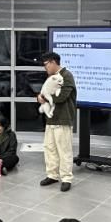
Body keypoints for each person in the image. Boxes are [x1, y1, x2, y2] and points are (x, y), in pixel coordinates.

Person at [37, 52, 77, 192]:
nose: (45, 68)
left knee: (64, 150)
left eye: (46, 64)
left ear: (53, 62)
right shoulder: (51, 77)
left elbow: (62, 97)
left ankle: (66, 178)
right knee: (49, 147)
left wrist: (44, 98)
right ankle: (52, 175)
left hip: (63, 119)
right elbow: (45, 93)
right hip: (51, 119)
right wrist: (40, 97)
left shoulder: (67, 75)